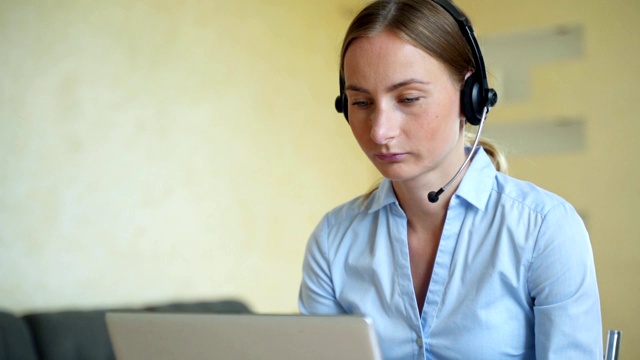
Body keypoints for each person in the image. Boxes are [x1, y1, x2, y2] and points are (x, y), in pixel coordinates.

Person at [298, 0, 603, 359]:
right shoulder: (333, 240)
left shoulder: (545, 229)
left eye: (409, 98)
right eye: (361, 103)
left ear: (471, 98)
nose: (380, 131)